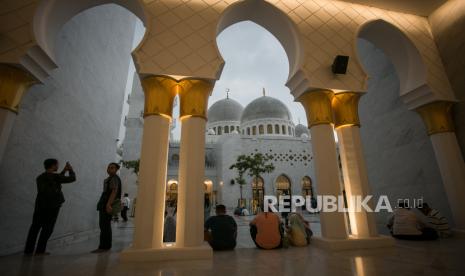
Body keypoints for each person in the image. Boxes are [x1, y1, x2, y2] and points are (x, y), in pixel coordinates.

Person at [24, 159, 76, 256]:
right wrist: (70, 170)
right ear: (53, 165)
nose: (57, 167)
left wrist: (64, 171)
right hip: (52, 206)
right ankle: (40, 250)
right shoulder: (55, 177)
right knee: (47, 228)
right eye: (57, 165)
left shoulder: (40, 177)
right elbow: (72, 178)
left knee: (35, 227)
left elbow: (55, 179)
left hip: (40, 206)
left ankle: (28, 250)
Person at [92, 163, 122, 253]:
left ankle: (104, 247)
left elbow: (114, 191)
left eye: (112, 168)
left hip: (106, 204)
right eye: (108, 167)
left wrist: (108, 204)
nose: (109, 169)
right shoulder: (110, 179)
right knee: (104, 225)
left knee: (104, 225)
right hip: (104, 204)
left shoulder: (114, 178)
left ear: (116, 170)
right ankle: (105, 246)